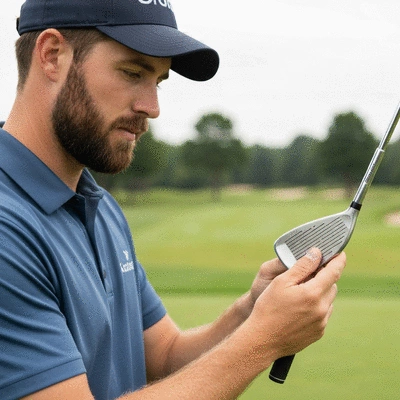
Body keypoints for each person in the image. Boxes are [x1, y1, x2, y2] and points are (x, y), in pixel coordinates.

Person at [0, 0, 346, 399]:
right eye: (132, 72)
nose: (153, 107)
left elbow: (164, 356)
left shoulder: (100, 208)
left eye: (159, 81)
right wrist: (263, 340)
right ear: (52, 55)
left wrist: (252, 310)